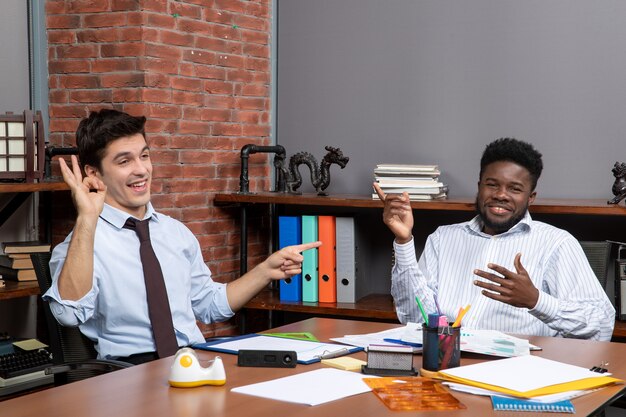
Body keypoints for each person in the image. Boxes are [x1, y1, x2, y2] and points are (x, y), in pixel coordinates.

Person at [43, 109, 321, 363]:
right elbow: (67, 314)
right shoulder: (82, 244)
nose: (141, 169)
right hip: (132, 370)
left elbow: (210, 306)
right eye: (124, 161)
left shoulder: (175, 233)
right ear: (93, 173)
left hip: (194, 360)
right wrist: (87, 217)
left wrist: (265, 271)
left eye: (144, 155)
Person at [374, 138, 615, 341]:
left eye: (515, 189)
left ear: (531, 197)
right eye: (492, 185)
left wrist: (536, 300)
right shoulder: (443, 238)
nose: (501, 195)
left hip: (521, 372)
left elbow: (602, 325)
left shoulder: (556, 243)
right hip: (449, 365)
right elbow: (415, 318)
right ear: (479, 187)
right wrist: (404, 241)